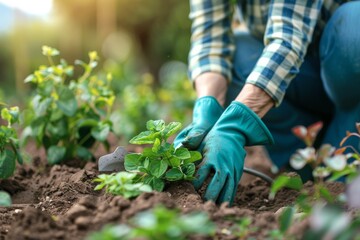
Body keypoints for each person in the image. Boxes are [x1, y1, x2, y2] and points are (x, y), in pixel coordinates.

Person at [174, 0, 360, 206]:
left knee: (355, 27)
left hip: (345, 62)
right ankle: (306, 167)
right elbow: (209, 38)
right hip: (303, 75)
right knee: (239, 61)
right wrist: (207, 106)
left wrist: (235, 122)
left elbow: (288, 37)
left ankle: (347, 166)